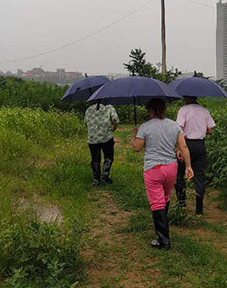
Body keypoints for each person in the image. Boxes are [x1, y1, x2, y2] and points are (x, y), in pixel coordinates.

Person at [132, 98, 193, 250]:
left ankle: (163, 241)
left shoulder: (145, 127)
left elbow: (137, 148)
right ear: (165, 110)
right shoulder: (174, 125)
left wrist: (135, 135)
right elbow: (183, 146)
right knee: (165, 199)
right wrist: (188, 166)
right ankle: (163, 233)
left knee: (156, 203)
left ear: (151, 111)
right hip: (171, 168)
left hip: (153, 169)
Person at [175, 96, 215, 215]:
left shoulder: (183, 110)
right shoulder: (204, 111)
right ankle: (199, 209)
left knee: (180, 173)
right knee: (200, 176)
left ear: (186, 98)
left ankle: (182, 204)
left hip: (186, 144)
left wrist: (179, 148)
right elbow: (210, 130)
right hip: (200, 145)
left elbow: (179, 129)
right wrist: (200, 130)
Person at [84, 102, 119, 186]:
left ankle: (96, 180)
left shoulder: (88, 109)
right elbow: (115, 120)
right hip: (106, 137)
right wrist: (113, 128)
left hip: (92, 138)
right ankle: (105, 174)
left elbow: (86, 123)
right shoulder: (109, 107)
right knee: (109, 156)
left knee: (95, 159)